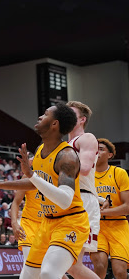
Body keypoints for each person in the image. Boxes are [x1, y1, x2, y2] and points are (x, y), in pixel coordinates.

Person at [0, 104, 89, 279]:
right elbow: (34, 183)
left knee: (49, 273)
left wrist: (32, 175)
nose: (40, 117)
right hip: (47, 222)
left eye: (45, 115)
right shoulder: (40, 151)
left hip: (70, 222)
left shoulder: (67, 156)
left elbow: (65, 200)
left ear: (54, 124)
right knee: (28, 276)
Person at [65, 101, 103, 279]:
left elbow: (85, 168)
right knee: (48, 261)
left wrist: (53, 166)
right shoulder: (64, 144)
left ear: (82, 120)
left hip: (82, 201)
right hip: (66, 201)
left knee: (73, 265)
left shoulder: (86, 138)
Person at [91, 138, 129, 279]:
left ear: (110, 155)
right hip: (96, 226)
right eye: (95, 149)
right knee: (100, 266)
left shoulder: (119, 173)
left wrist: (102, 212)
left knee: (119, 272)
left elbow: (127, 207)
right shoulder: (86, 176)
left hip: (118, 225)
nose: (97, 152)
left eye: (101, 149)